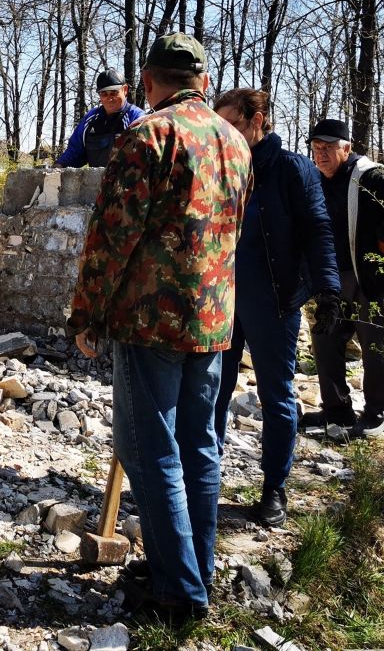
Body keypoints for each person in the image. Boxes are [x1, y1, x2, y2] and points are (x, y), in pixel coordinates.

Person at [68, 33, 252, 623]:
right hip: (213, 320)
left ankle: (178, 592)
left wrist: (86, 313)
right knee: (199, 447)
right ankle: (195, 568)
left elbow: (110, 238)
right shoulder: (235, 142)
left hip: (151, 321)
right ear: (204, 81)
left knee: (150, 451)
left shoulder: (149, 136)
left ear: (148, 81)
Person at [212, 89, 341, 527]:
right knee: (212, 390)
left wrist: (328, 289)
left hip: (274, 299)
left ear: (257, 120)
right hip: (221, 300)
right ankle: (203, 479)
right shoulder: (220, 166)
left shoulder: (292, 169)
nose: (224, 133)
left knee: (277, 395)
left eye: (232, 124)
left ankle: (274, 489)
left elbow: (318, 229)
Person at [303, 119, 384, 436]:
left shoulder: (370, 175)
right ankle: (336, 411)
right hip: (332, 278)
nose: (321, 154)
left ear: (347, 148)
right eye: (316, 148)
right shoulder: (316, 179)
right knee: (325, 342)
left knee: (374, 346)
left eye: (328, 148)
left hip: (370, 277)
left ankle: (377, 414)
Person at [55, 69, 146, 168]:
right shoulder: (91, 119)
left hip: (129, 177)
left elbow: (145, 156)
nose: (109, 98)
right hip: (95, 177)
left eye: (114, 92)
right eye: (104, 94)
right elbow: (74, 152)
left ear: (125, 90)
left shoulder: (137, 118)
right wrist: (59, 165)